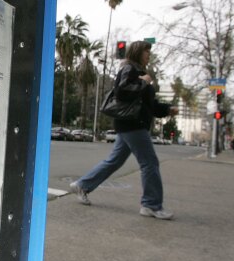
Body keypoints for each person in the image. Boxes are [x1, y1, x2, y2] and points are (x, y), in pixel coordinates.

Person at [69, 41, 178, 220]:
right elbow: (122, 92)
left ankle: (82, 185)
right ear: (137, 52)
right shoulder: (130, 69)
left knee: (114, 161)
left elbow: (149, 105)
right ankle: (151, 204)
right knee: (149, 163)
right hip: (132, 124)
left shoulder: (141, 73)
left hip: (131, 124)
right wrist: (143, 83)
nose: (148, 55)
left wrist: (167, 109)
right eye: (146, 52)